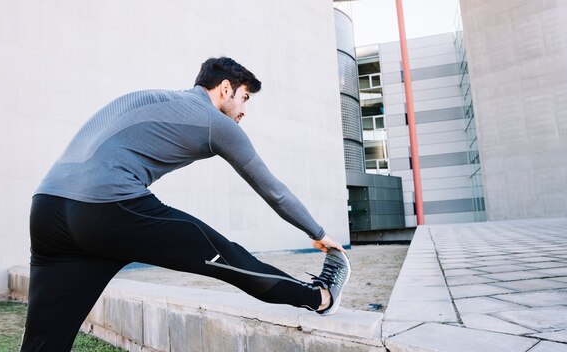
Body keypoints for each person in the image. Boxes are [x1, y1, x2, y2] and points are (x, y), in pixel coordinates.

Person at [20, 57, 351, 351]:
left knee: (44, 342)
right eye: (245, 98)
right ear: (225, 89)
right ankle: (321, 297)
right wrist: (318, 231)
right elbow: (274, 191)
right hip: (108, 208)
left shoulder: (150, 96)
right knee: (230, 258)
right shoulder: (214, 122)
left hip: (47, 209)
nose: (244, 111)